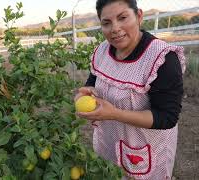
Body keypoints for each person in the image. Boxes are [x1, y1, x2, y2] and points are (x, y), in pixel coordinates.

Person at [74, 0, 186, 179]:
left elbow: (167, 117)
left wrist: (114, 114)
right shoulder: (102, 51)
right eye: (106, 23)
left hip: (145, 148)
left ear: (139, 16)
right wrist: (83, 93)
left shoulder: (161, 58)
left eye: (123, 18)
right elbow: (92, 83)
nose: (115, 28)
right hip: (110, 140)